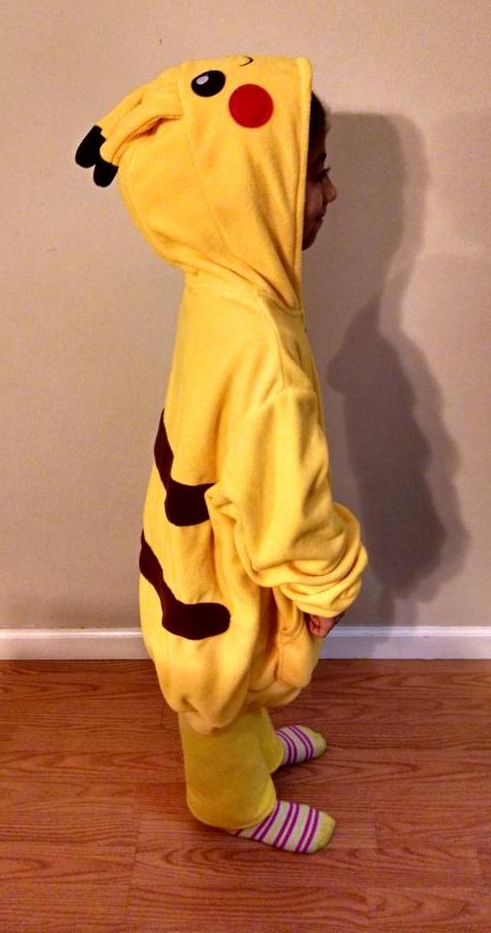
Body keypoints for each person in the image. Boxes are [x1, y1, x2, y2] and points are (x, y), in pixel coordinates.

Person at [75, 54, 368, 853]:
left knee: (240, 654)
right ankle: (231, 800)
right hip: (228, 545)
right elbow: (283, 499)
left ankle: (256, 747)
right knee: (219, 669)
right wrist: (326, 581)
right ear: (245, 194)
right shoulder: (258, 347)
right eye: (315, 174)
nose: (331, 193)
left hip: (203, 522)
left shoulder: (220, 282)